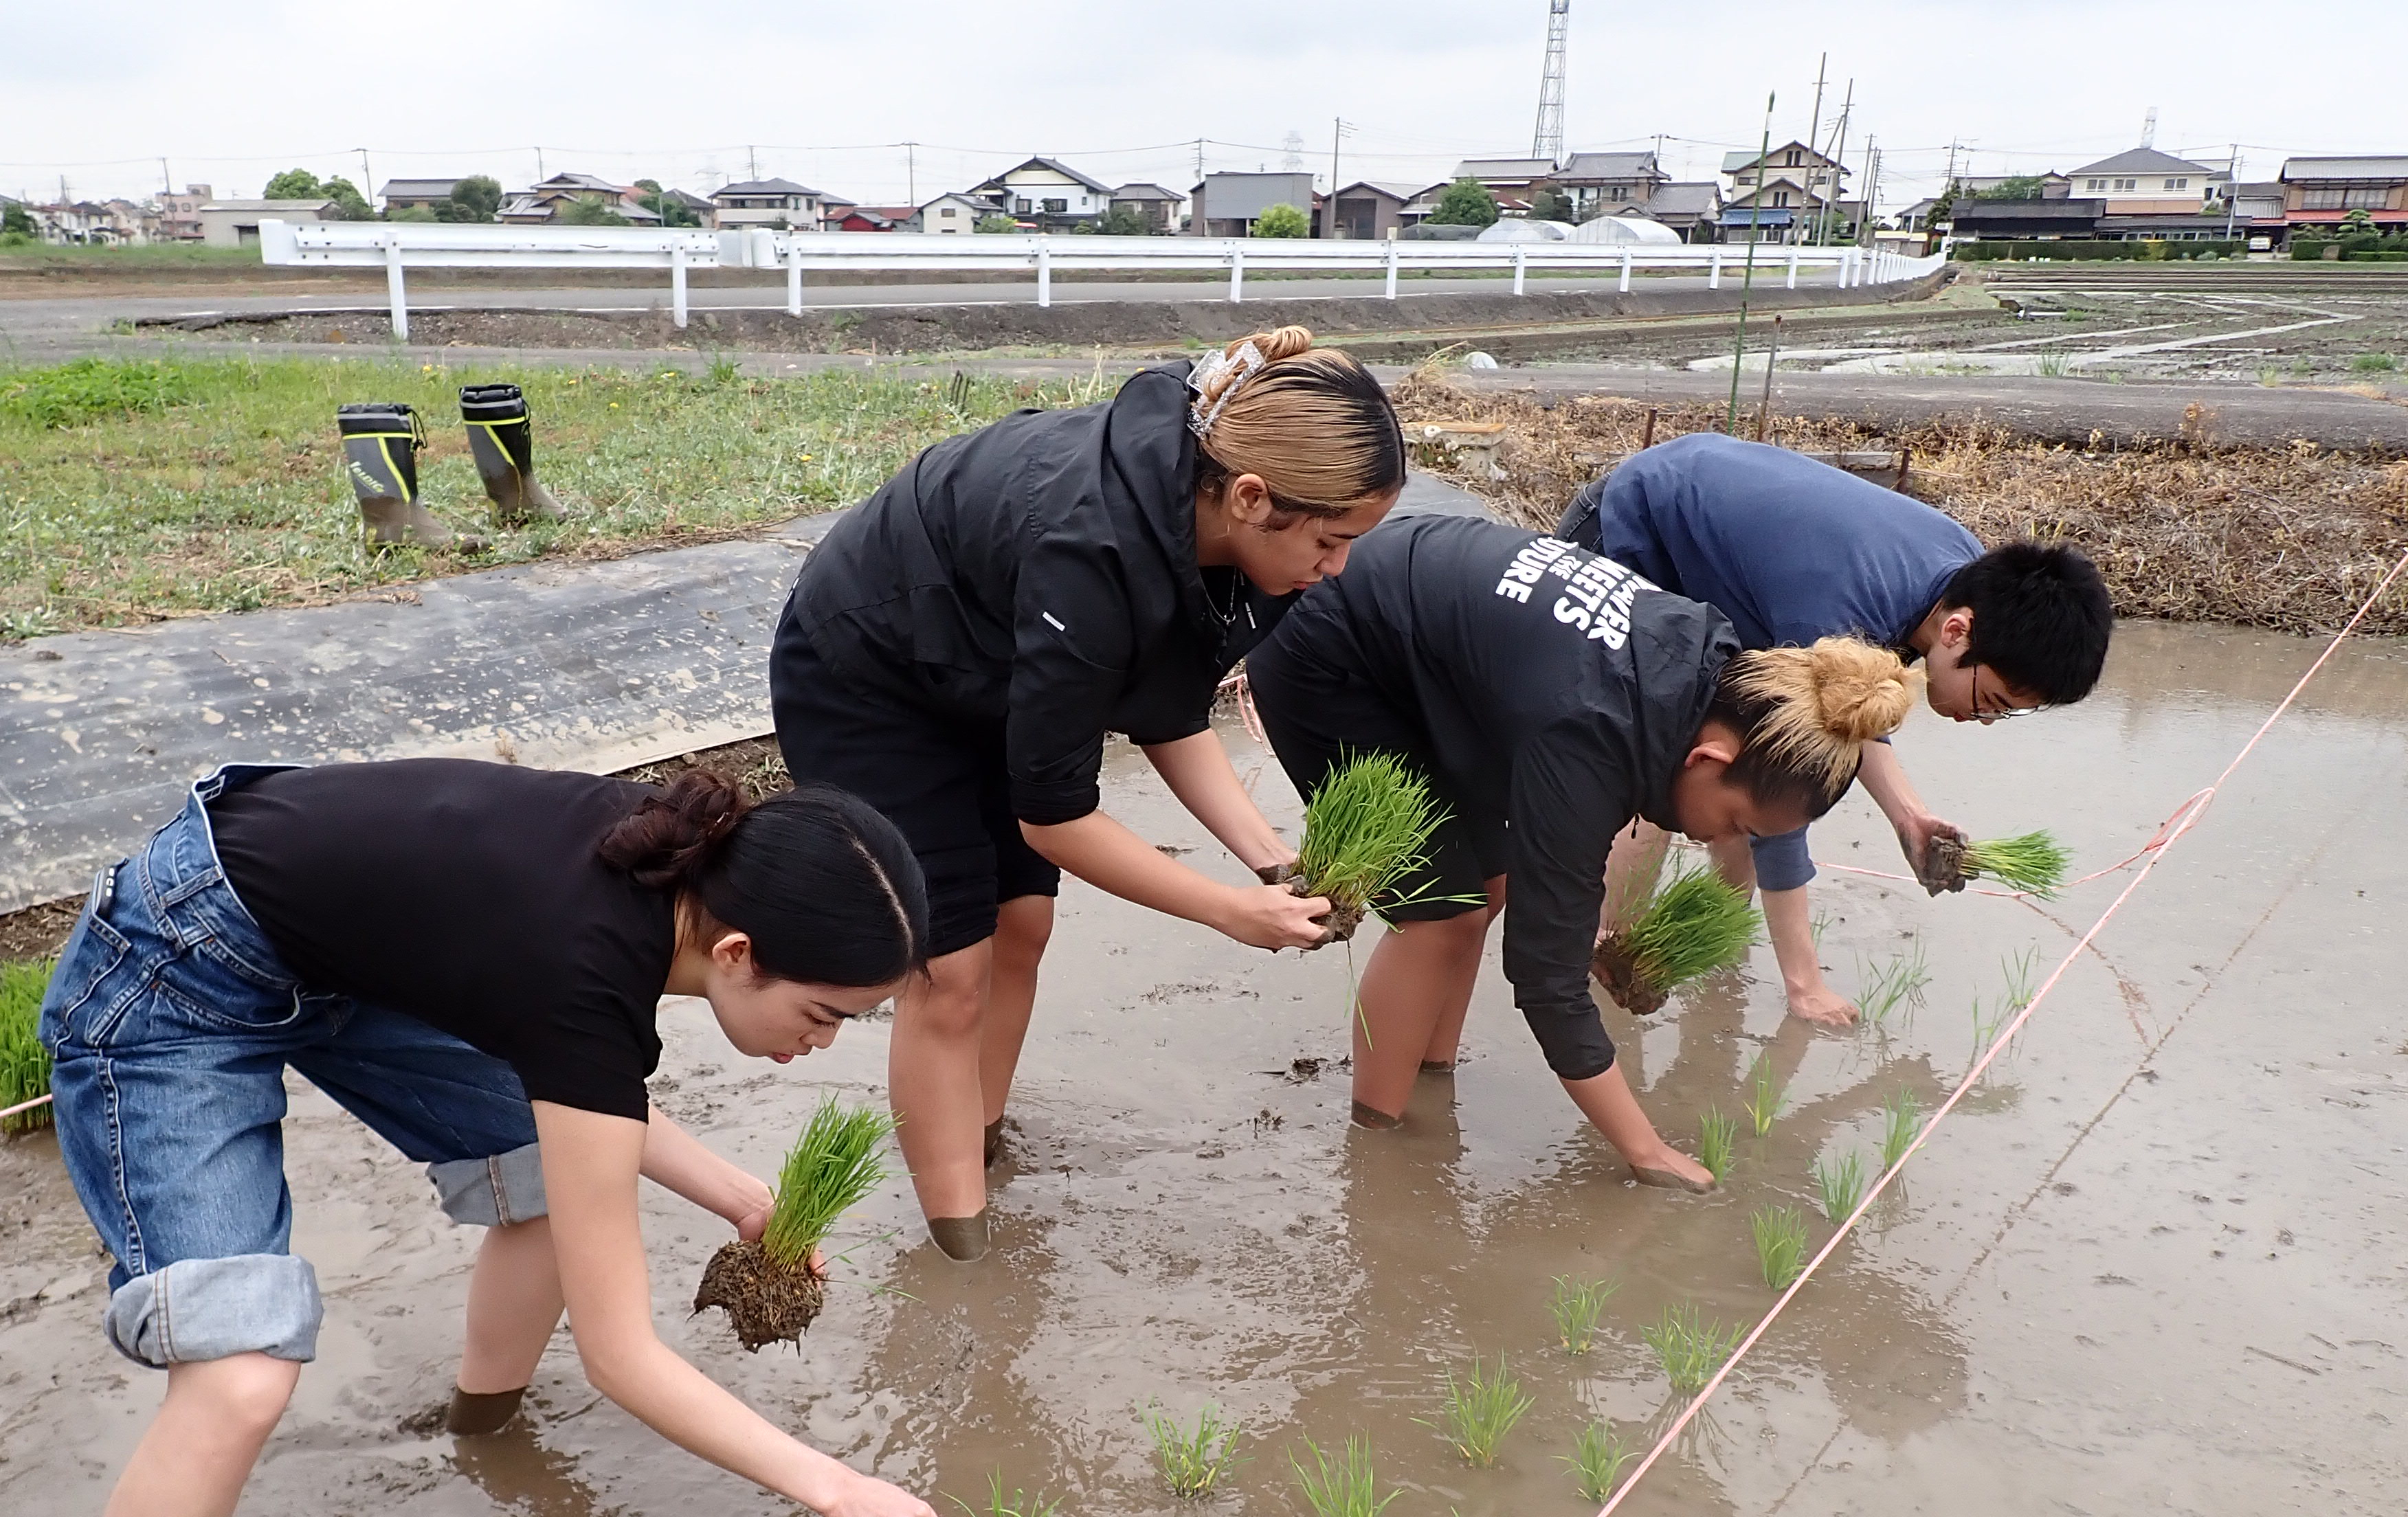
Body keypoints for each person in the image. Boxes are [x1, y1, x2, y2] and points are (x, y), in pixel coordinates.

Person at [38, 760, 966, 1517]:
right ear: (735, 952)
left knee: (549, 1189)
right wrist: (838, 1488)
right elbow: (621, 1356)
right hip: (185, 955)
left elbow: (588, 1099)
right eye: (824, 1015)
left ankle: (481, 1433)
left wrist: (742, 1198)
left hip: (343, 952)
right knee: (241, 1378)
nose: (823, 1045)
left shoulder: (660, 877)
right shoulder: (588, 960)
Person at [772, 326, 1405, 1259]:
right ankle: (963, 1249)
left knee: (1023, 926)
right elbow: (1057, 816)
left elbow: (1170, 714)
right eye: (1332, 540)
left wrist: (1270, 856)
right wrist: (1232, 911)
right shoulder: (1096, 551)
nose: (1339, 567)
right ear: (1251, 496)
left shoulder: (1235, 542)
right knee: (950, 972)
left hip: (997, 669)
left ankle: (977, 1147)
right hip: (873, 672)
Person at [1245, 516, 1915, 1178]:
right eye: (1739, 822)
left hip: (1428, 654)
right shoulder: (1595, 731)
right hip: (1329, 649)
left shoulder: (1710, 670)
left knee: (1490, 880)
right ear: (1710, 758)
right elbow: (1545, 980)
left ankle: (1429, 1075)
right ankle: (1380, 1145)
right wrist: (1645, 1150)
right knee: (1438, 911)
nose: (1721, 841)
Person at [1557, 432, 2114, 1023]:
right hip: (1631, 532)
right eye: (1992, 700)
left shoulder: (1960, 577)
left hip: (1724, 561)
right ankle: (1605, 951)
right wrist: (1805, 985)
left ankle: (1717, 938)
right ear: (1958, 634)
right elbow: (1782, 798)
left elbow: (1851, 707)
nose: (1982, 721)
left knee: (1733, 791)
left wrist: (1909, 817)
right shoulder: (1834, 610)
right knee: (1662, 769)